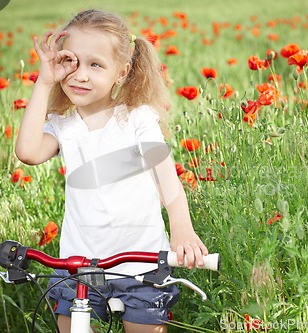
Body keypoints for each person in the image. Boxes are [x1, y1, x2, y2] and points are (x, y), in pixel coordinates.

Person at [15, 9, 208, 333]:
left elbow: (165, 177)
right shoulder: (64, 126)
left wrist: (182, 227)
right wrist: (45, 80)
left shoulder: (136, 119)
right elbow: (28, 152)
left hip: (141, 265)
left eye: (95, 65)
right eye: (72, 62)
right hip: (79, 265)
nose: (80, 75)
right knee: (70, 325)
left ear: (122, 72)